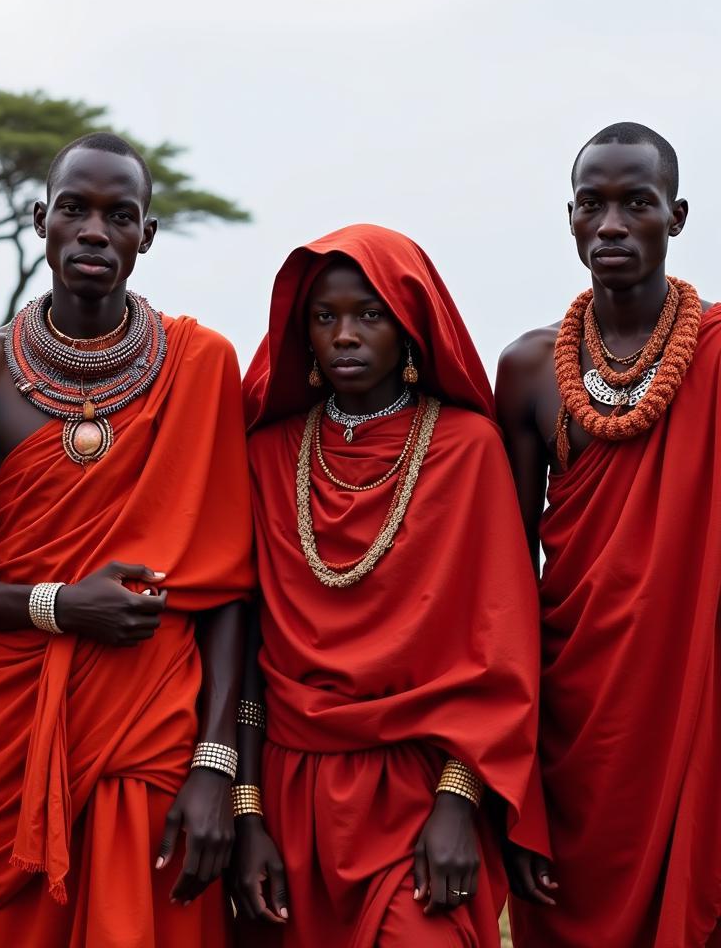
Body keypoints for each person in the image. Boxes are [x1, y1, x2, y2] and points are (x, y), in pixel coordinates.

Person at [0, 132, 255, 946]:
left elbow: (227, 591)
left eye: (120, 215)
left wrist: (217, 767)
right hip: (16, 719)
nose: (95, 231)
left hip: (155, 725)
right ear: (40, 219)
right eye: (74, 209)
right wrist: (61, 607)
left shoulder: (203, 365)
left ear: (148, 234)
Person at [233, 224, 547, 947]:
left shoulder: (467, 448)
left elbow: (499, 644)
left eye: (369, 316)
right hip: (288, 790)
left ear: (410, 327)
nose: (345, 335)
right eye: (324, 317)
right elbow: (242, 643)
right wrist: (247, 810)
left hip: (420, 786)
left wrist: (458, 804)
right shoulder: (267, 452)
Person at [497, 122, 721, 947]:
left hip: (694, 693)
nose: (613, 224)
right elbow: (508, 572)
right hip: (573, 709)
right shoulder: (528, 369)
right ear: (570, 218)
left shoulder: (717, 353)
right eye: (593, 205)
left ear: (679, 216)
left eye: (639, 203)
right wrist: (512, 773)